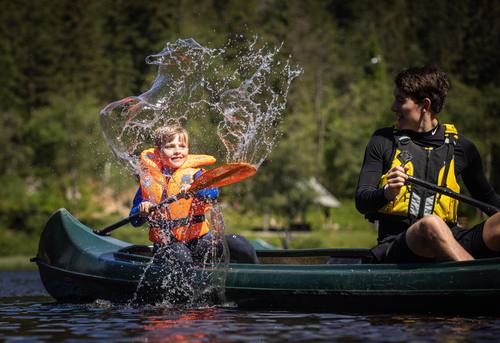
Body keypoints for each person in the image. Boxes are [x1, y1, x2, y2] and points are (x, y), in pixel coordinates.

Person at [355, 66, 500, 263]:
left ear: (425, 105)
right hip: (399, 244)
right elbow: (362, 201)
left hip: (450, 239)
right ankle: (475, 280)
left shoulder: (463, 148)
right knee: (431, 224)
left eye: (400, 100)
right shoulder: (382, 140)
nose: (393, 107)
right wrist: (387, 192)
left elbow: (489, 200)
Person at [130, 124, 258, 264]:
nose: (177, 151)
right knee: (180, 253)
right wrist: (142, 210)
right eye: (170, 146)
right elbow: (134, 220)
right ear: (158, 152)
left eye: (182, 146)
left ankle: (258, 277)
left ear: (188, 149)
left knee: (240, 244)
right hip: (167, 247)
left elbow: (213, 193)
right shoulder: (148, 182)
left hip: (199, 242)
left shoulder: (196, 175)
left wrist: (195, 189)